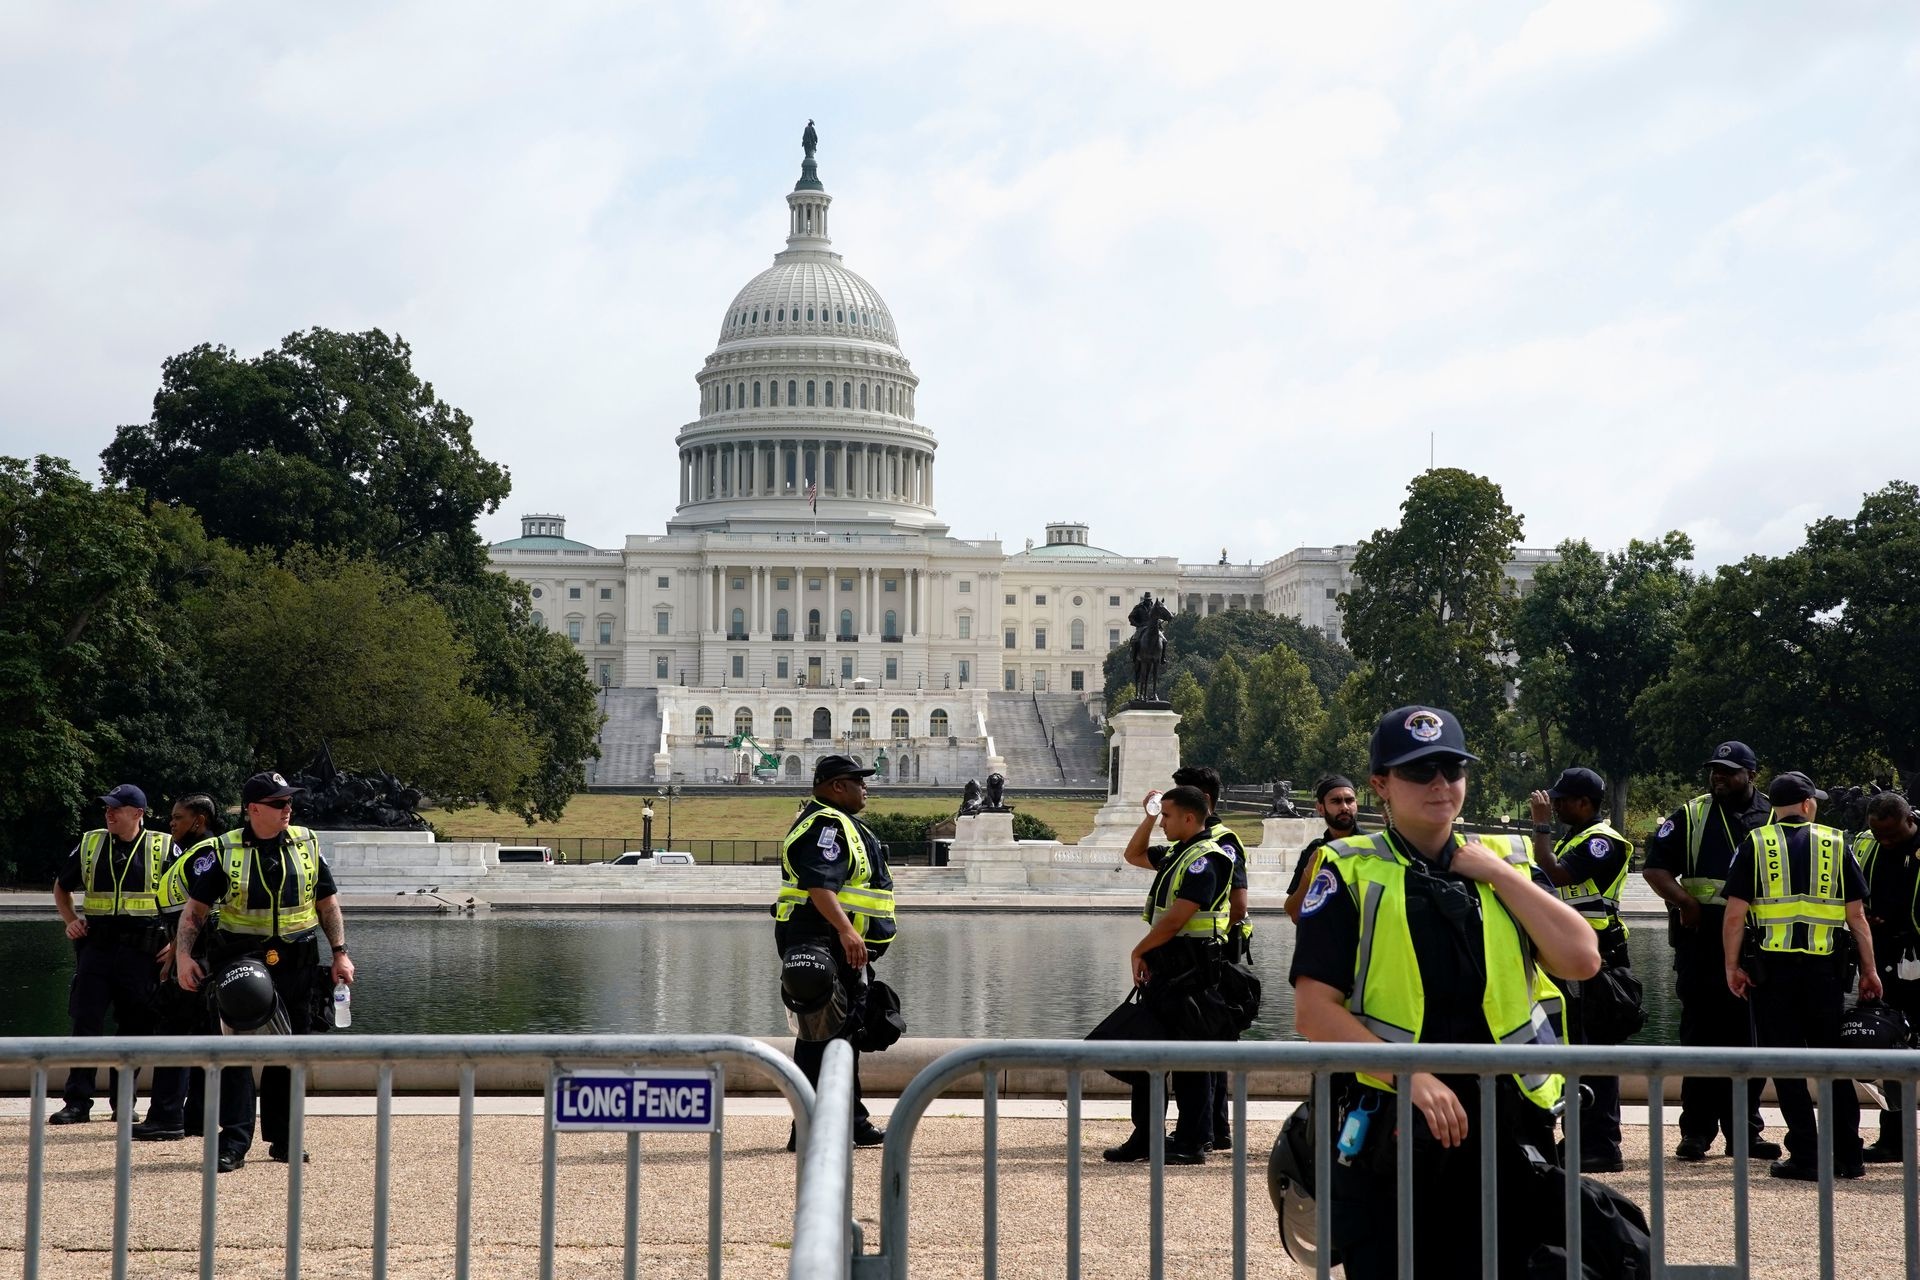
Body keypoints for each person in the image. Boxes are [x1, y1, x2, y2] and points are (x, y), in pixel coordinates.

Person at [1291, 706, 1600, 1277]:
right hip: (1394, 1119)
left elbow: (1581, 959)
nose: (1439, 784)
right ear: (1381, 784)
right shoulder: (1346, 868)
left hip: (1506, 1119)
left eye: (1451, 769)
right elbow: (1313, 1012)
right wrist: (1410, 1075)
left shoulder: (1506, 860)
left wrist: (1497, 875)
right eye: (1418, 771)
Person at [177, 772, 355, 1171]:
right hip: (241, 960)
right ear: (253, 809)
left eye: (289, 801)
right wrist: (184, 958)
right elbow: (194, 913)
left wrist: (340, 953)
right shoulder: (224, 850)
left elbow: (327, 904)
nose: (287, 808)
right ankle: (233, 1143)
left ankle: (285, 1140)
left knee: (291, 1054)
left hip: (298, 961)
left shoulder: (307, 842)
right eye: (278, 803)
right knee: (236, 1055)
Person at [1722, 771, 1879, 1180]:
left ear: (1775, 807)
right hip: (1825, 974)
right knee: (1833, 1065)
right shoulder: (1836, 843)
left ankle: (1807, 1156)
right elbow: (1857, 917)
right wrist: (1869, 970)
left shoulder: (1755, 843)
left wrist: (1732, 967)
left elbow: (1735, 915)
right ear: (1808, 804)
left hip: (1772, 976)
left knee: (1787, 1065)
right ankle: (1849, 1156)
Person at [1640, 740, 1779, 1161]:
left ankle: (1745, 1133)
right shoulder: (1692, 814)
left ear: (1751, 774)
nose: (1718, 776)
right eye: (1714, 769)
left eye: (1728, 771)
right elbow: (1655, 868)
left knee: (1748, 1039)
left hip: (1755, 944)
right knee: (1699, 1036)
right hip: (1701, 942)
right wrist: (1685, 901)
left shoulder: (1773, 815)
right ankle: (1696, 1133)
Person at [773, 755, 896, 1151]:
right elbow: (819, 885)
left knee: (845, 1034)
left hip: (838, 945)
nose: (866, 788)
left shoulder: (840, 823)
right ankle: (809, 1129)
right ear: (837, 786)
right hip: (823, 940)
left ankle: (851, 1123)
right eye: (859, 782)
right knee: (819, 1036)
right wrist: (846, 931)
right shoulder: (827, 826)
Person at [1105, 784, 1231, 1165]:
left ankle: (1192, 1142)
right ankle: (1146, 1136)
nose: (1162, 823)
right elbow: (1133, 854)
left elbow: (1177, 919)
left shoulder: (1206, 859)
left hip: (1191, 972)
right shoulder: (1179, 853)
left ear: (1189, 818)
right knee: (1148, 1052)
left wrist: (1139, 950)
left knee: (1190, 1058)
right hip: (1167, 967)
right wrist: (1147, 815)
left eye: (1167, 816)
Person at [47, 783, 178, 1126]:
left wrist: (177, 943)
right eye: (107, 808)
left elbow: (192, 899)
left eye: (115, 809)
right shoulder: (91, 843)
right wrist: (71, 920)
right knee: (85, 1022)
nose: (108, 813)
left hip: (143, 952)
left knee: (136, 1027)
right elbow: (61, 886)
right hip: (97, 948)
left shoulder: (164, 847)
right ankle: (77, 1102)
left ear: (138, 814)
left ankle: (124, 1103)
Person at [1528, 767, 1634, 1173]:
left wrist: (1540, 825)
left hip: (1599, 962)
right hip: (1574, 959)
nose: (1554, 806)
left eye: (1561, 800)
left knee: (1596, 1054)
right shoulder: (1576, 838)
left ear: (1585, 803)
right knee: (1575, 1051)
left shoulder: (1603, 842)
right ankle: (1578, 1139)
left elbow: (1554, 872)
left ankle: (1601, 1146)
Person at [134, 794, 224, 1141]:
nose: (171, 823)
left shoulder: (205, 854)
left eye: (178, 817)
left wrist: (186, 955)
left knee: (175, 1035)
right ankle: (194, 1117)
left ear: (199, 820)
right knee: (199, 1035)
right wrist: (174, 953)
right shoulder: (190, 854)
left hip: (201, 958)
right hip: (191, 954)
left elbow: (207, 912)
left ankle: (167, 1117)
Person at [1171, 766, 1248, 1150]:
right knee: (1211, 1040)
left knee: (1208, 1042)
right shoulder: (1187, 840)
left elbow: (1238, 904)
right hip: (1198, 956)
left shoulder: (1222, 842)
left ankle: (1207, 1131)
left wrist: (1212, 942)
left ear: (1202, 800)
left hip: (1209, 958)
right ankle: (1215, 1129)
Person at [1856, 792, 1920, 1161]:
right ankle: (1893, 1140)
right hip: (1885, 961)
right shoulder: (1867, 844)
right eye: (1878, 834)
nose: (1885, 841)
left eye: (1892, 834)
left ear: (1910, 819)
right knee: (1890, 1047)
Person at [1284, 775, 1361, 924]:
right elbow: (1294, 914)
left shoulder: (1374, 848)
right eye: (1336, 801)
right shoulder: (1314, 851)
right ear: (1320, 808)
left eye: (1349, 800)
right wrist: (1308, 875)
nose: (1345, 807)